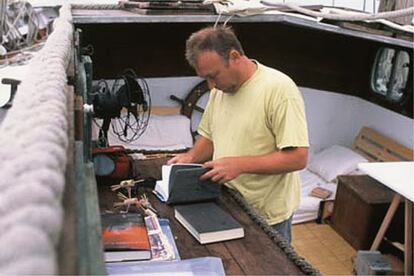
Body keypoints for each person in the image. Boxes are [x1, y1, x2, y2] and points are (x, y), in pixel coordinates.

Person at [168, 26, 309, 244]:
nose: (210, 85)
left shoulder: (279, 89)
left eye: (213, 76)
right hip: (227, 202)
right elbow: (210, 137)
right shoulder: (219, 91)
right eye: (205, 78)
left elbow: (298, 157)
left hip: (267, 216)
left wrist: (238, 165)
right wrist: (191, 157)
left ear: (234, 56)